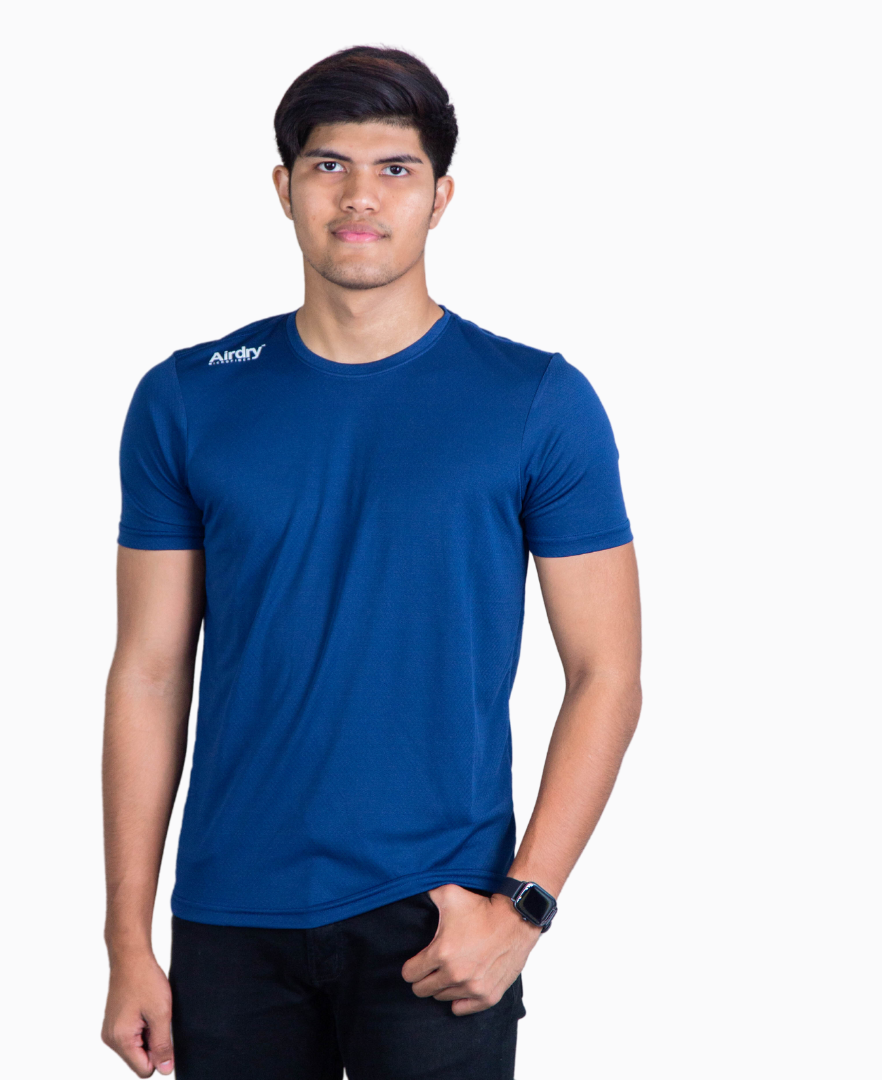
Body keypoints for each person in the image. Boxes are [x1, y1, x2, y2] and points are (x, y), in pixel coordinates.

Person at [100, 45, 642, 1080]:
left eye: (395, 168)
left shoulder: (536, 400)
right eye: (328, 165)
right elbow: (150, 671)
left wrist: (524, 907)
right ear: (284, 188)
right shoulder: (187, 398)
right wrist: (129, 938)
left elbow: (607, 674)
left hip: (441, 915)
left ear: (441, 196)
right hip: (230, 915)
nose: (360, 196)